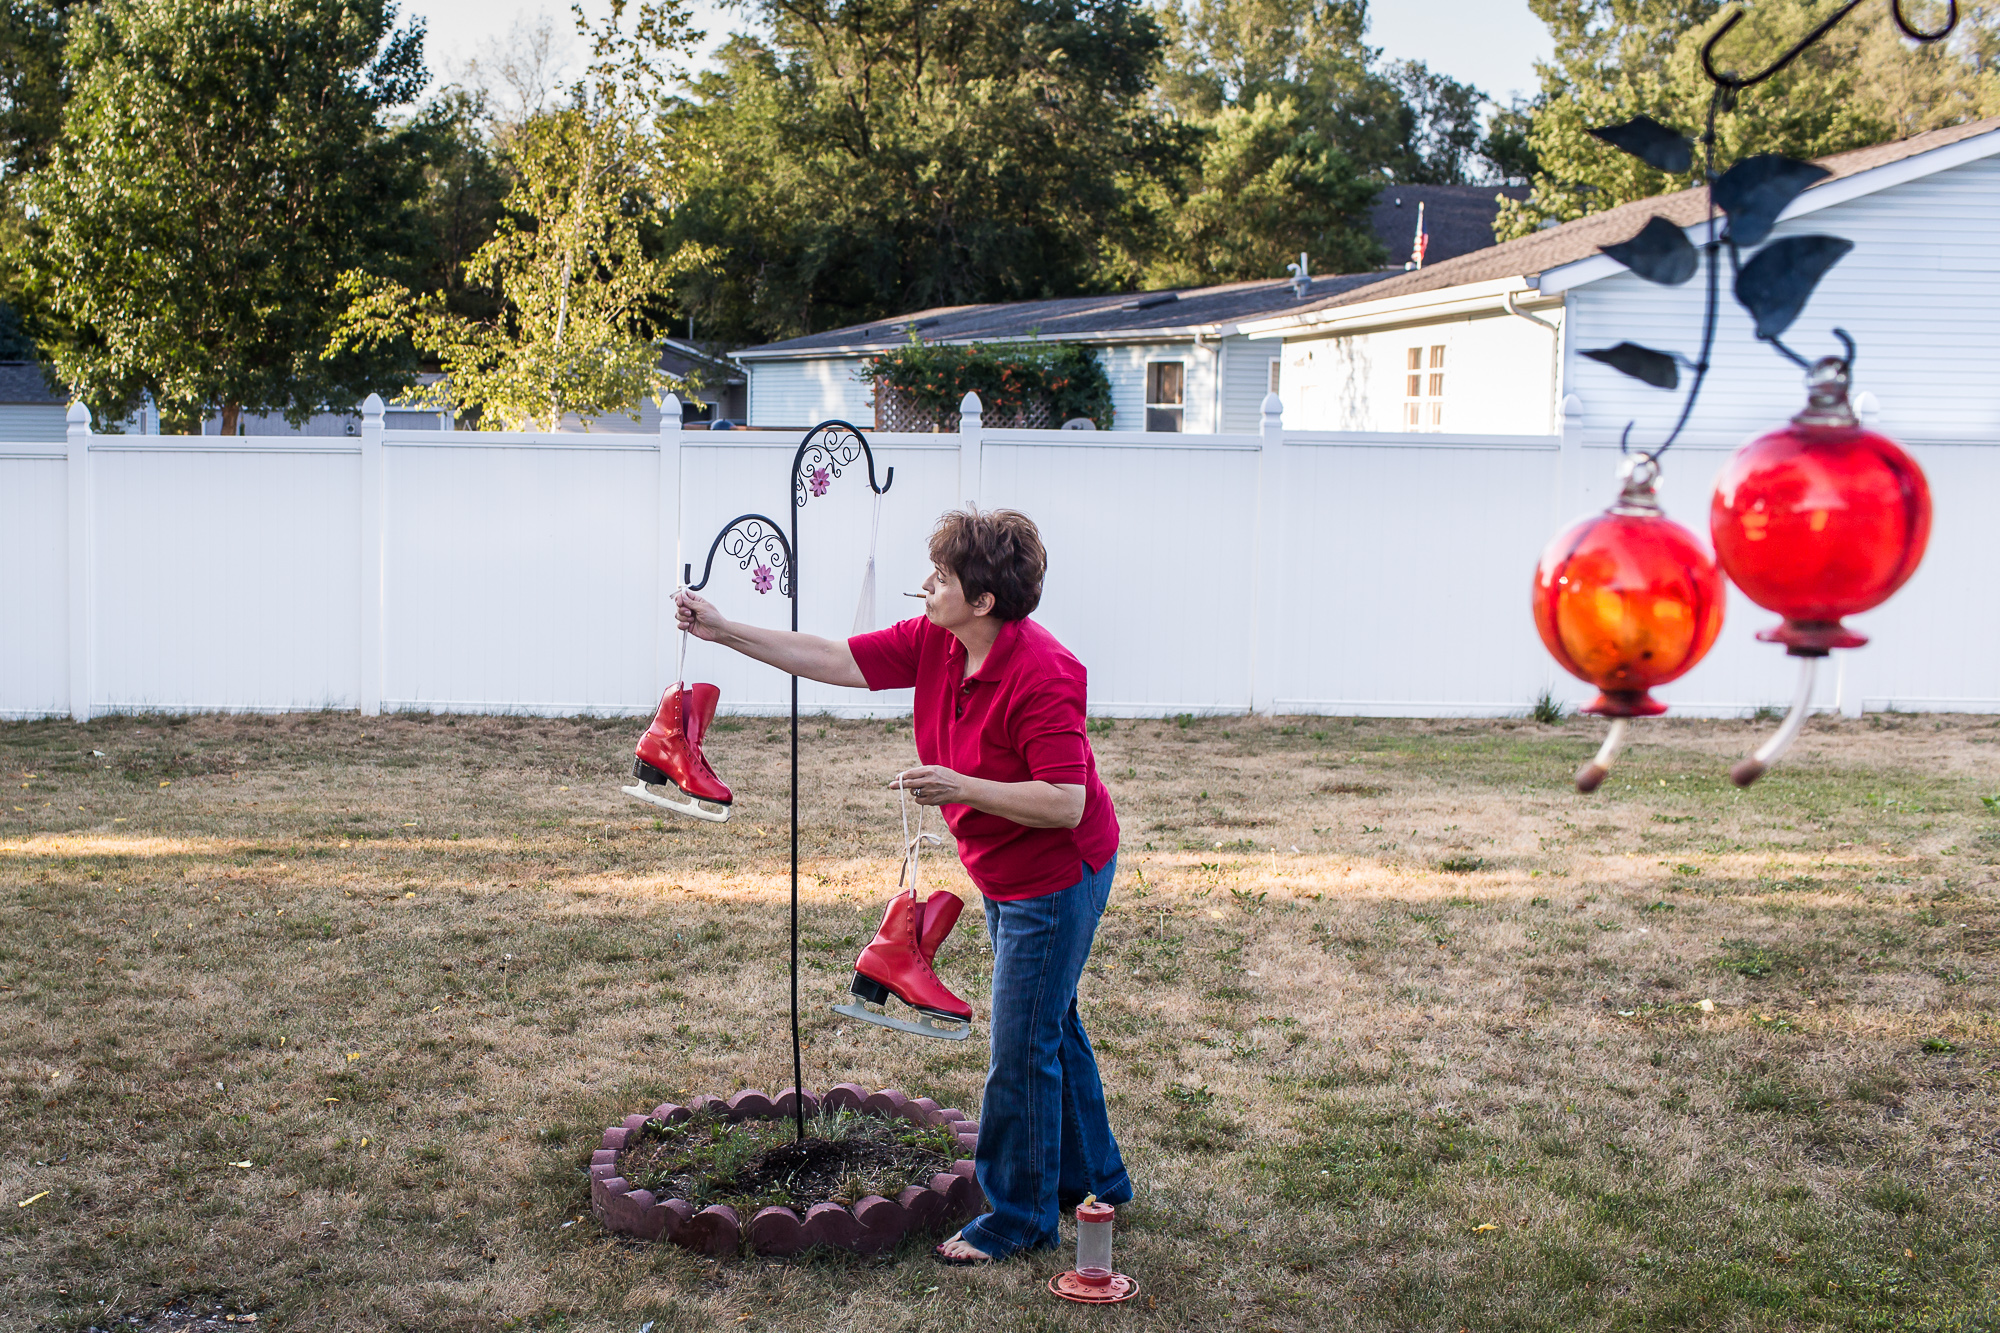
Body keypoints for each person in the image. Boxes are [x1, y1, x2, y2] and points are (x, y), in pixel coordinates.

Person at [673, 506, 1130, 1262]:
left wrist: (962, 784)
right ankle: (1098, 1181)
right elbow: (836, 657)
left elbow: (1065, 800)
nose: (925, 586)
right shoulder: (938, 642)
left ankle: (1017, 1217)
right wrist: (726, 630)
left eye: (941, 577)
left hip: (1054, 877)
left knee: (1021, 1046)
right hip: (1003, 868)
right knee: (1051, 1024)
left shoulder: (1044, 674)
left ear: (982, 601)